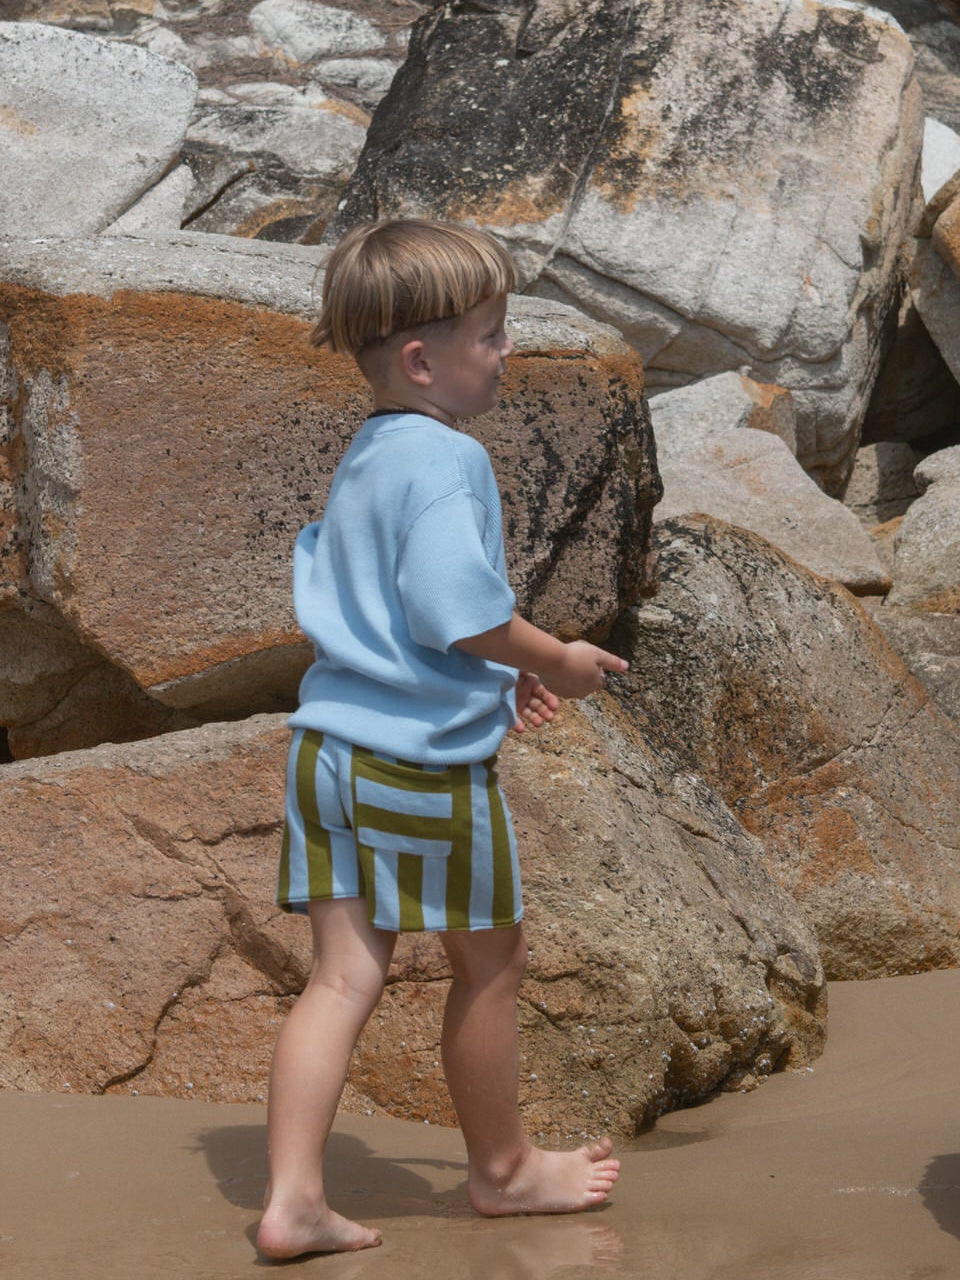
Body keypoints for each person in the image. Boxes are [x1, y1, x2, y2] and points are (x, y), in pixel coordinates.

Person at [256, 219, 627, 1260]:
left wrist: (490, 681)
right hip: (416, 767)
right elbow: (450, 608)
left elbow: (389, 617)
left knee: (339, 978)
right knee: (491, 961)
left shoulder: (367, 455)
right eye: (492, 333)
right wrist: (548, 656)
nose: (506, 351)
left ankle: (293, 1198)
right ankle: (504, 1169)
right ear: (422, 360)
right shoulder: (449, 461)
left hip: (325, 749)